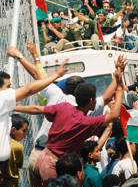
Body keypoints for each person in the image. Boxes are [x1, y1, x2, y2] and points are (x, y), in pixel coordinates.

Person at [15, 55, 127, 185]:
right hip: (54, 166)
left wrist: (14, 107)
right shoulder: (86, 122)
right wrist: (119, 87)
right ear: (91, 101)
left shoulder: (63, 107)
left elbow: (36, 108)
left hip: (41, 159)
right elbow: (113, 114)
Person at [0, 47, 68, 183]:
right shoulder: (2, 99)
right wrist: (56, 75)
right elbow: (29, 88)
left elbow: (36, 107)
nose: (12, 90)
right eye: (8, 87)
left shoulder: (5, 106)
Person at [3, 114, 29, 187]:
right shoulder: (18, 147)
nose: (25, 134)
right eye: (24, 130)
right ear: (13, 130)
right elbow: (19, 165)